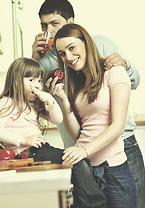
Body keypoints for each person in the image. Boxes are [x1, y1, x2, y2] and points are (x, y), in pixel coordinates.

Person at [32, 0, 145, 208]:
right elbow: (31, 98)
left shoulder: (102, 46)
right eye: (43, 26)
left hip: (119, 145)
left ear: (73, 23)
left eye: (54, 23)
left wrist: (125, 64)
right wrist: (33, 59)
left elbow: (133, 82)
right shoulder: (45, 61)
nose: (49, 31)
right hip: (81, 154)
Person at [0, 57, 107, 208]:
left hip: (41, 150)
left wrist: (51, 101)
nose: (37, 85)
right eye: (31, 80)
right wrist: (24, 139)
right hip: (26, 154)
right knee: (77, 161)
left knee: (79, 160)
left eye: (39, 81)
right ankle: (97, 205)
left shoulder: (33, 104)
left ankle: (86, 204)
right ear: (17, 80)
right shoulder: (7, 102)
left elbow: (57, 119)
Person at [47, 23, 137, 208]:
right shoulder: (78, 84)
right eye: (62, 53)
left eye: (72, 48)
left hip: (113, 172)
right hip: (85, 172)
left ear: (86, 43)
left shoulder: (114, 73)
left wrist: (84, 150)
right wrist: (63, 99)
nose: (68, 58)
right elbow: (77, 134)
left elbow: (118, 125)